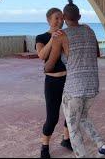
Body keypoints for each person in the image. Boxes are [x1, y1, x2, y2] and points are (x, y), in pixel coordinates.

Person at [44, 0, 105, 158]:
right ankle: (102, 145)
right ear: (79, 16)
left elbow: (50, 65)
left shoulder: (61, 35)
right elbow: (97, 53)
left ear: (64, 17)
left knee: (73, 130)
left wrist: (49, 62)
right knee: (83, 117)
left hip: (74, 89)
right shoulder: (90, 30)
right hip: (92, 86)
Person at [35, 8, 72, 158]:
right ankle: (45, 146)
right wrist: (52, 39)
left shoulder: (67, 35)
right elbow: (41, 55)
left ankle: (66, 139)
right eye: (56, 18)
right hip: (52, 81)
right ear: (48, 20)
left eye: (62, 18)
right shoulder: (41, 37)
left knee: (70, 113)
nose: (60, 21)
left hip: (69, 79)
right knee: (52, 117)